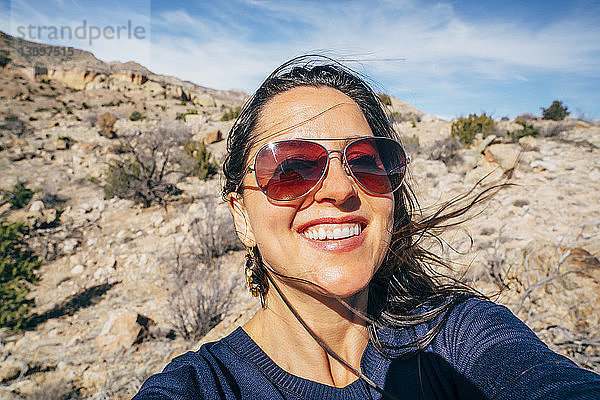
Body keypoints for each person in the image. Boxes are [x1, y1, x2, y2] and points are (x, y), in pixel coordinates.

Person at [133, 56, 600, 400]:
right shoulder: (203, 388)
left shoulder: (455, 336)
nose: (340, 188)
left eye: (367, 163)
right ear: (241, 215)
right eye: (293, 167)